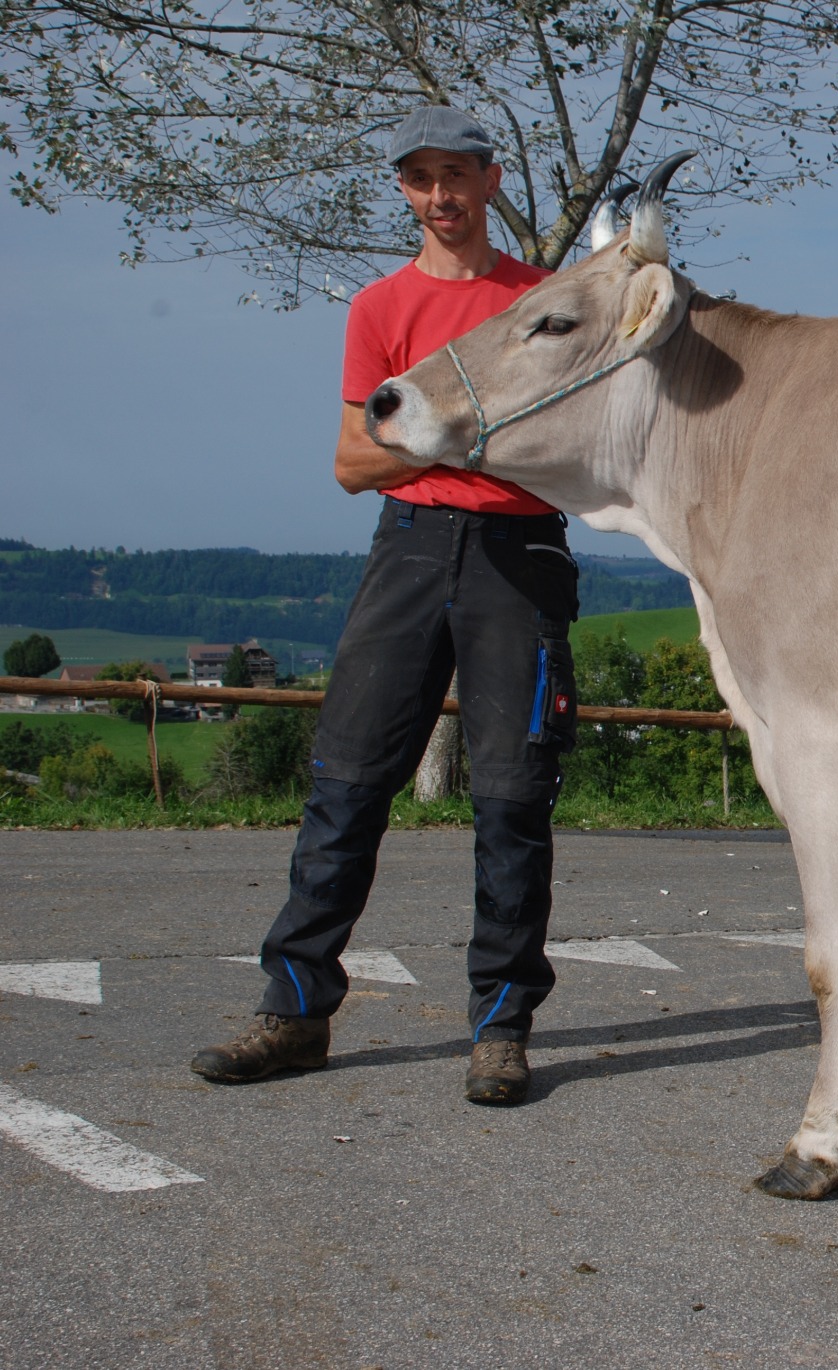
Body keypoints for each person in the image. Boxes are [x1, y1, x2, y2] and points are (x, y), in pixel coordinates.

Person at [191, 106, 580, 1106]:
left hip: (517, 553)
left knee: (510, 797)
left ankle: (500, 1028)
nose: (439, 197)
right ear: (405, 191)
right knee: (347, 783)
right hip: (407, 548)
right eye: (419, 180)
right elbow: (350, 462)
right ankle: (292, 1011)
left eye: (455, 175)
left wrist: (429, 429)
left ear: (492, 181)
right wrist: (466, 433)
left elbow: (566, 454)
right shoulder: (379, 308)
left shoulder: (541, 302)